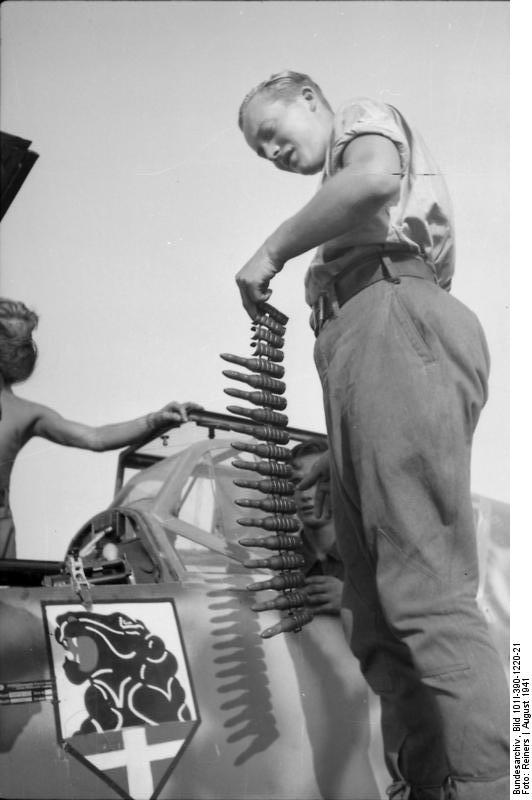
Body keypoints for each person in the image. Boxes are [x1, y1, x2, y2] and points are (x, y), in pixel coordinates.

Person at [235, 71, 509, 799]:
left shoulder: (362, 123)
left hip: (394, 317)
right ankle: (431, 784)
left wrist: (273, 251)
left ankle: (494, 783)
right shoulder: (338, 204)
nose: (272, 152)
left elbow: (375, 178)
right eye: (259, 151)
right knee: (378, 608)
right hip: (368, 337)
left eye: (273, 130)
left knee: (423, 590)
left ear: (310, 98)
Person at [0, 298, 201, 559]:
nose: (19, 350)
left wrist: (155, 419)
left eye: (20, 343)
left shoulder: (25, 412)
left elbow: (95, 438)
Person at [290, 438, 343, 615]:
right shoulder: (282, 565)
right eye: (297, 482)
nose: (305, 493)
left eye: (318, 479)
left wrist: (354, 601)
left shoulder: (371, 557)